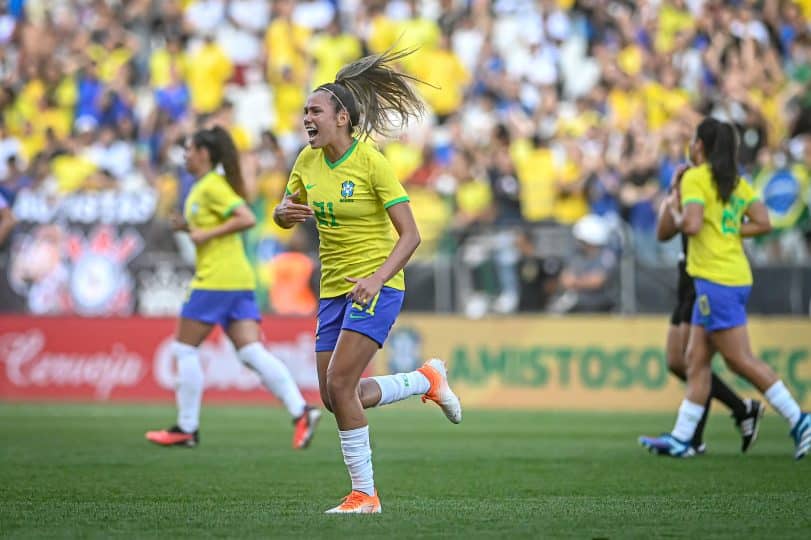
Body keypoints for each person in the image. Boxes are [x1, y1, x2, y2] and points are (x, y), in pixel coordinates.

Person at [273, 48, 462, 514]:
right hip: (334, 289)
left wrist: (378, 278)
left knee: (340, 385)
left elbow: (412, 235)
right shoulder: (306, 161)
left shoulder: (371, 162)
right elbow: (285, 211)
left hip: (376, 284)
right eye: (304, 112)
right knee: (338, 396)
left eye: (314, 111)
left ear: (342, 117)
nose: (306, 119)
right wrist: (280, 215)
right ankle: (424, 379)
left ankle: (365, 495)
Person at [640, 117, 810, 460]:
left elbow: (689, 223)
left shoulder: (696, 178)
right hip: (731, 274)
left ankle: (800, 420)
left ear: (699, 145)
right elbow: (762, 222)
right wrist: (729, 230)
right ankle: (683, 438)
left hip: (716, 279)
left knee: (739, 360)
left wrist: (675, 204)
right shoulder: (737, 181)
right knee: (695, 358)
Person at [145, 125, 321, 450]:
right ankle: (301, 411)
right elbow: (219, 223)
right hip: (237, 279)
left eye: (189, 149)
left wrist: (202, 235)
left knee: (184, 349)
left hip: (216, 279)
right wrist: (190, 227)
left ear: (203, 154)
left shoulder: (211, 186)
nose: (184, 155)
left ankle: (186, 427)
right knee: (251, 352)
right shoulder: (203, 188)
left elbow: (245, 218)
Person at [652, 164, 764, 454]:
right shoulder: (688, 188)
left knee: (695, 361)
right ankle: (741, 408)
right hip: (684, 275)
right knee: (678, 362)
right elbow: (663, 232)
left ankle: (692, 438)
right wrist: (673, 192)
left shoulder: (709, 189)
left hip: (704, 278)